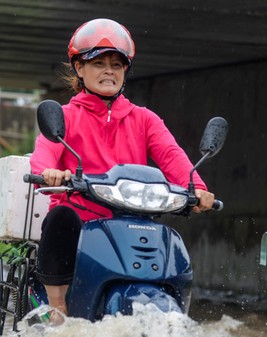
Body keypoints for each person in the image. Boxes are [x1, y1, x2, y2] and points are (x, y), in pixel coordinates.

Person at [29, 18, 215, 319]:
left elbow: (170, 154)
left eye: (116, 65)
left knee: (168, 241)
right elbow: (45, 151)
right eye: (98, 63)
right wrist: (50, 172)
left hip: (131, 217)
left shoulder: (144, 119)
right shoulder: (65, 117)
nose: (108, 71)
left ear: (125, 71)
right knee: (60, 217)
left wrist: (198, 188)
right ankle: (58, 308)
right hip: (81, 219)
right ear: (79, 68)